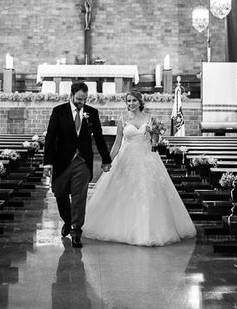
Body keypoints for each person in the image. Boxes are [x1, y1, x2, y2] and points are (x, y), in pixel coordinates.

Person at [84, 90, 196, 246]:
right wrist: (108, 160)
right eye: (128, 101)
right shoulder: (122, 120)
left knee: (148, 192)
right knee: (123, 192)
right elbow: (117, 143)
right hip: (126, 159)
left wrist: (156, 133)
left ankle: (149, 230)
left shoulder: (150, 119)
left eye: (134, 101)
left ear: (140, 102)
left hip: (147, 159)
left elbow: (154, 143)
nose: (131, 104)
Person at [43, 81, 112, 248]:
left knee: (79, 198)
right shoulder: (59, 111)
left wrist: (106, 159)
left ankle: (76, 231)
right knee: (59, 194)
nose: (82, 103)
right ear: (71, 96)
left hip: (82, 162)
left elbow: (99, 138)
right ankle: (67, 220)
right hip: (62, 161)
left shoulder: (92, 113)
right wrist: (47, 163)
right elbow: (50, 138)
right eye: (79, 99)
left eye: (84, 99)